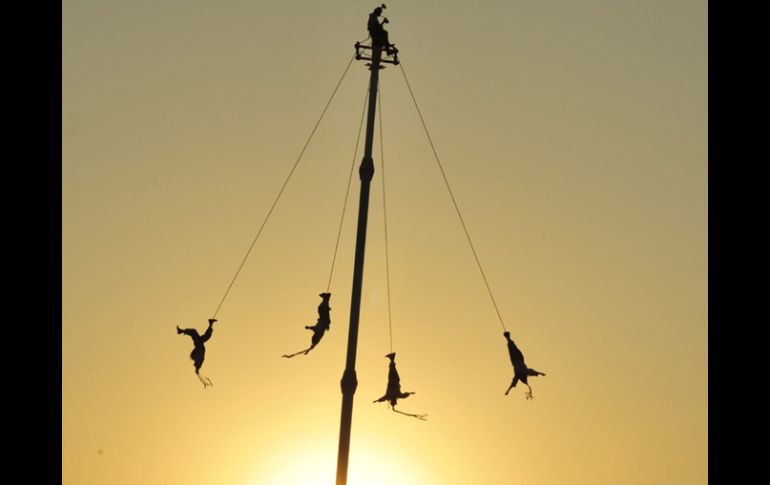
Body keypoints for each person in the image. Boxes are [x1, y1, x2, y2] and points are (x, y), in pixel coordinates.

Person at [374, 353, 427, 420]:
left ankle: (392, 358)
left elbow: (383, 399)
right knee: (392, 369)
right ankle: (392, 358)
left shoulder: (391, 396)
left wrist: (377, 400)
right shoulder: (394, 396)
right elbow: (404, 395)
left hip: (392, 380)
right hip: (395, 380)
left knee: (392, 369)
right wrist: (410, 393)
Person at [282, 293, 332, 358]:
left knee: (322, 309)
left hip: (324, 320)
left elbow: (314, 344)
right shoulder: (318, 332)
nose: (313, 334)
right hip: (325, 320)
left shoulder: (318, 335)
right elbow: (314, 329)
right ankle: (326, 298)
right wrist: (308, 327)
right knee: (322, 309)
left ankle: (326, 298)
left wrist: (308, 350)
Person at [504, 331, 545, 399]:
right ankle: (508, 338)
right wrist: (540, 373)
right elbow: (533, 372)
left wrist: (508, 391)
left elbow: (513, 383)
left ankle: (508, 338)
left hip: (516, 359)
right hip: (518, 359)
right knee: (513, 348)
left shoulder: (519, 375)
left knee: (512, 348)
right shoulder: (525, 372)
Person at [177, 318, 217, 387]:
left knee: (198, 334)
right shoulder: (199, 360)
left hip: (199, 345)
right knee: (202, 335)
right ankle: (210, 324)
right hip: (199, 346)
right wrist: (197, 370)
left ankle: (210, 324)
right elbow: (198, 363)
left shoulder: (198, 360)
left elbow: (197, 362)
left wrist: (197, 370)